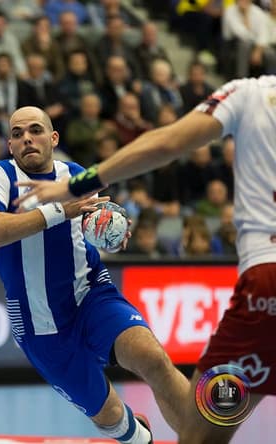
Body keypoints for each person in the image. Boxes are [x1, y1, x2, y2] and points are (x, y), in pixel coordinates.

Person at [14, 76, 276, 443]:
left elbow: (166, 142)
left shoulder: (251, 93)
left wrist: (76, 186)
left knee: (199, 431)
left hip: (267, 283)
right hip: (43, 319)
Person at [0, 105, 190, 444]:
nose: (26, 138)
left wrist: (113, 229)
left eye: (35, 130)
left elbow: (98, 221)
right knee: (112, 418)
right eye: (17, 134)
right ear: (10, 145)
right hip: (38, 322)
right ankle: (139, 438)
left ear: (53, 138)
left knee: (154, 359)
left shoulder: (75, 174)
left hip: (91, 297)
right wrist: (58, 211)